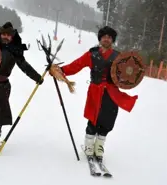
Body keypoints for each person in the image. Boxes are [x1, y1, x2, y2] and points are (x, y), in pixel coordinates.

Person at [50, 26, 138, 162]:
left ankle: (99, 148)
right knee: (93, 119)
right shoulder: (92, 54)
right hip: (95, 91)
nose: (106, 39)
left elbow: (127, 74)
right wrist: (60, 70)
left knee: (107, 121)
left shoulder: (118, 57)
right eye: (104, 37)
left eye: (109, 37)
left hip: (112, 93)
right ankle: (89, 147)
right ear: (100, 39)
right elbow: (76, 65)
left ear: (112, 40)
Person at [0, 22, 44, 151]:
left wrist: (37, 77)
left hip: (1, 86)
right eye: (3, 34)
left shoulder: (14, 51)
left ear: (12, 36)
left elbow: (24, 66)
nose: (5, 37)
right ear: (0, 34)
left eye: (8, 35)